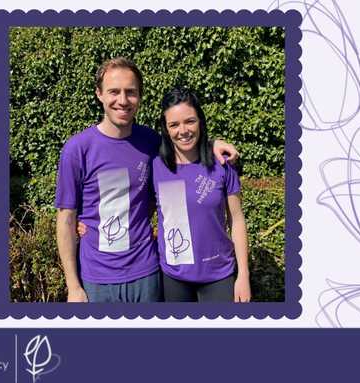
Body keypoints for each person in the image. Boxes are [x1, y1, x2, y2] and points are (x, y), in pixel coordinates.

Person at [54, 57, 238, 303]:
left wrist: (213, 144)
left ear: (139, 96)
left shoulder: (150, 142)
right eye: (114, 92)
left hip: (147, 273)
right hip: (96, 279)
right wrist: (73, 285)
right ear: (99, 94)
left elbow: (184, 144)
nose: (122, 100)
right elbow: (66, 219)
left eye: (131, 92)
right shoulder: (77, 149)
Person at [153, 88, 251, 302]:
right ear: (166, 129)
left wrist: (243, 274)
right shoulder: (156, 167)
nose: (183, 130)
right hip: (173, 276)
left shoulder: (222, 165)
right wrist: (86, 222)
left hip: (218, 275)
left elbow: (237, 219)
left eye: (190, 121)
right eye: (174, 125)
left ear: (201, 121)